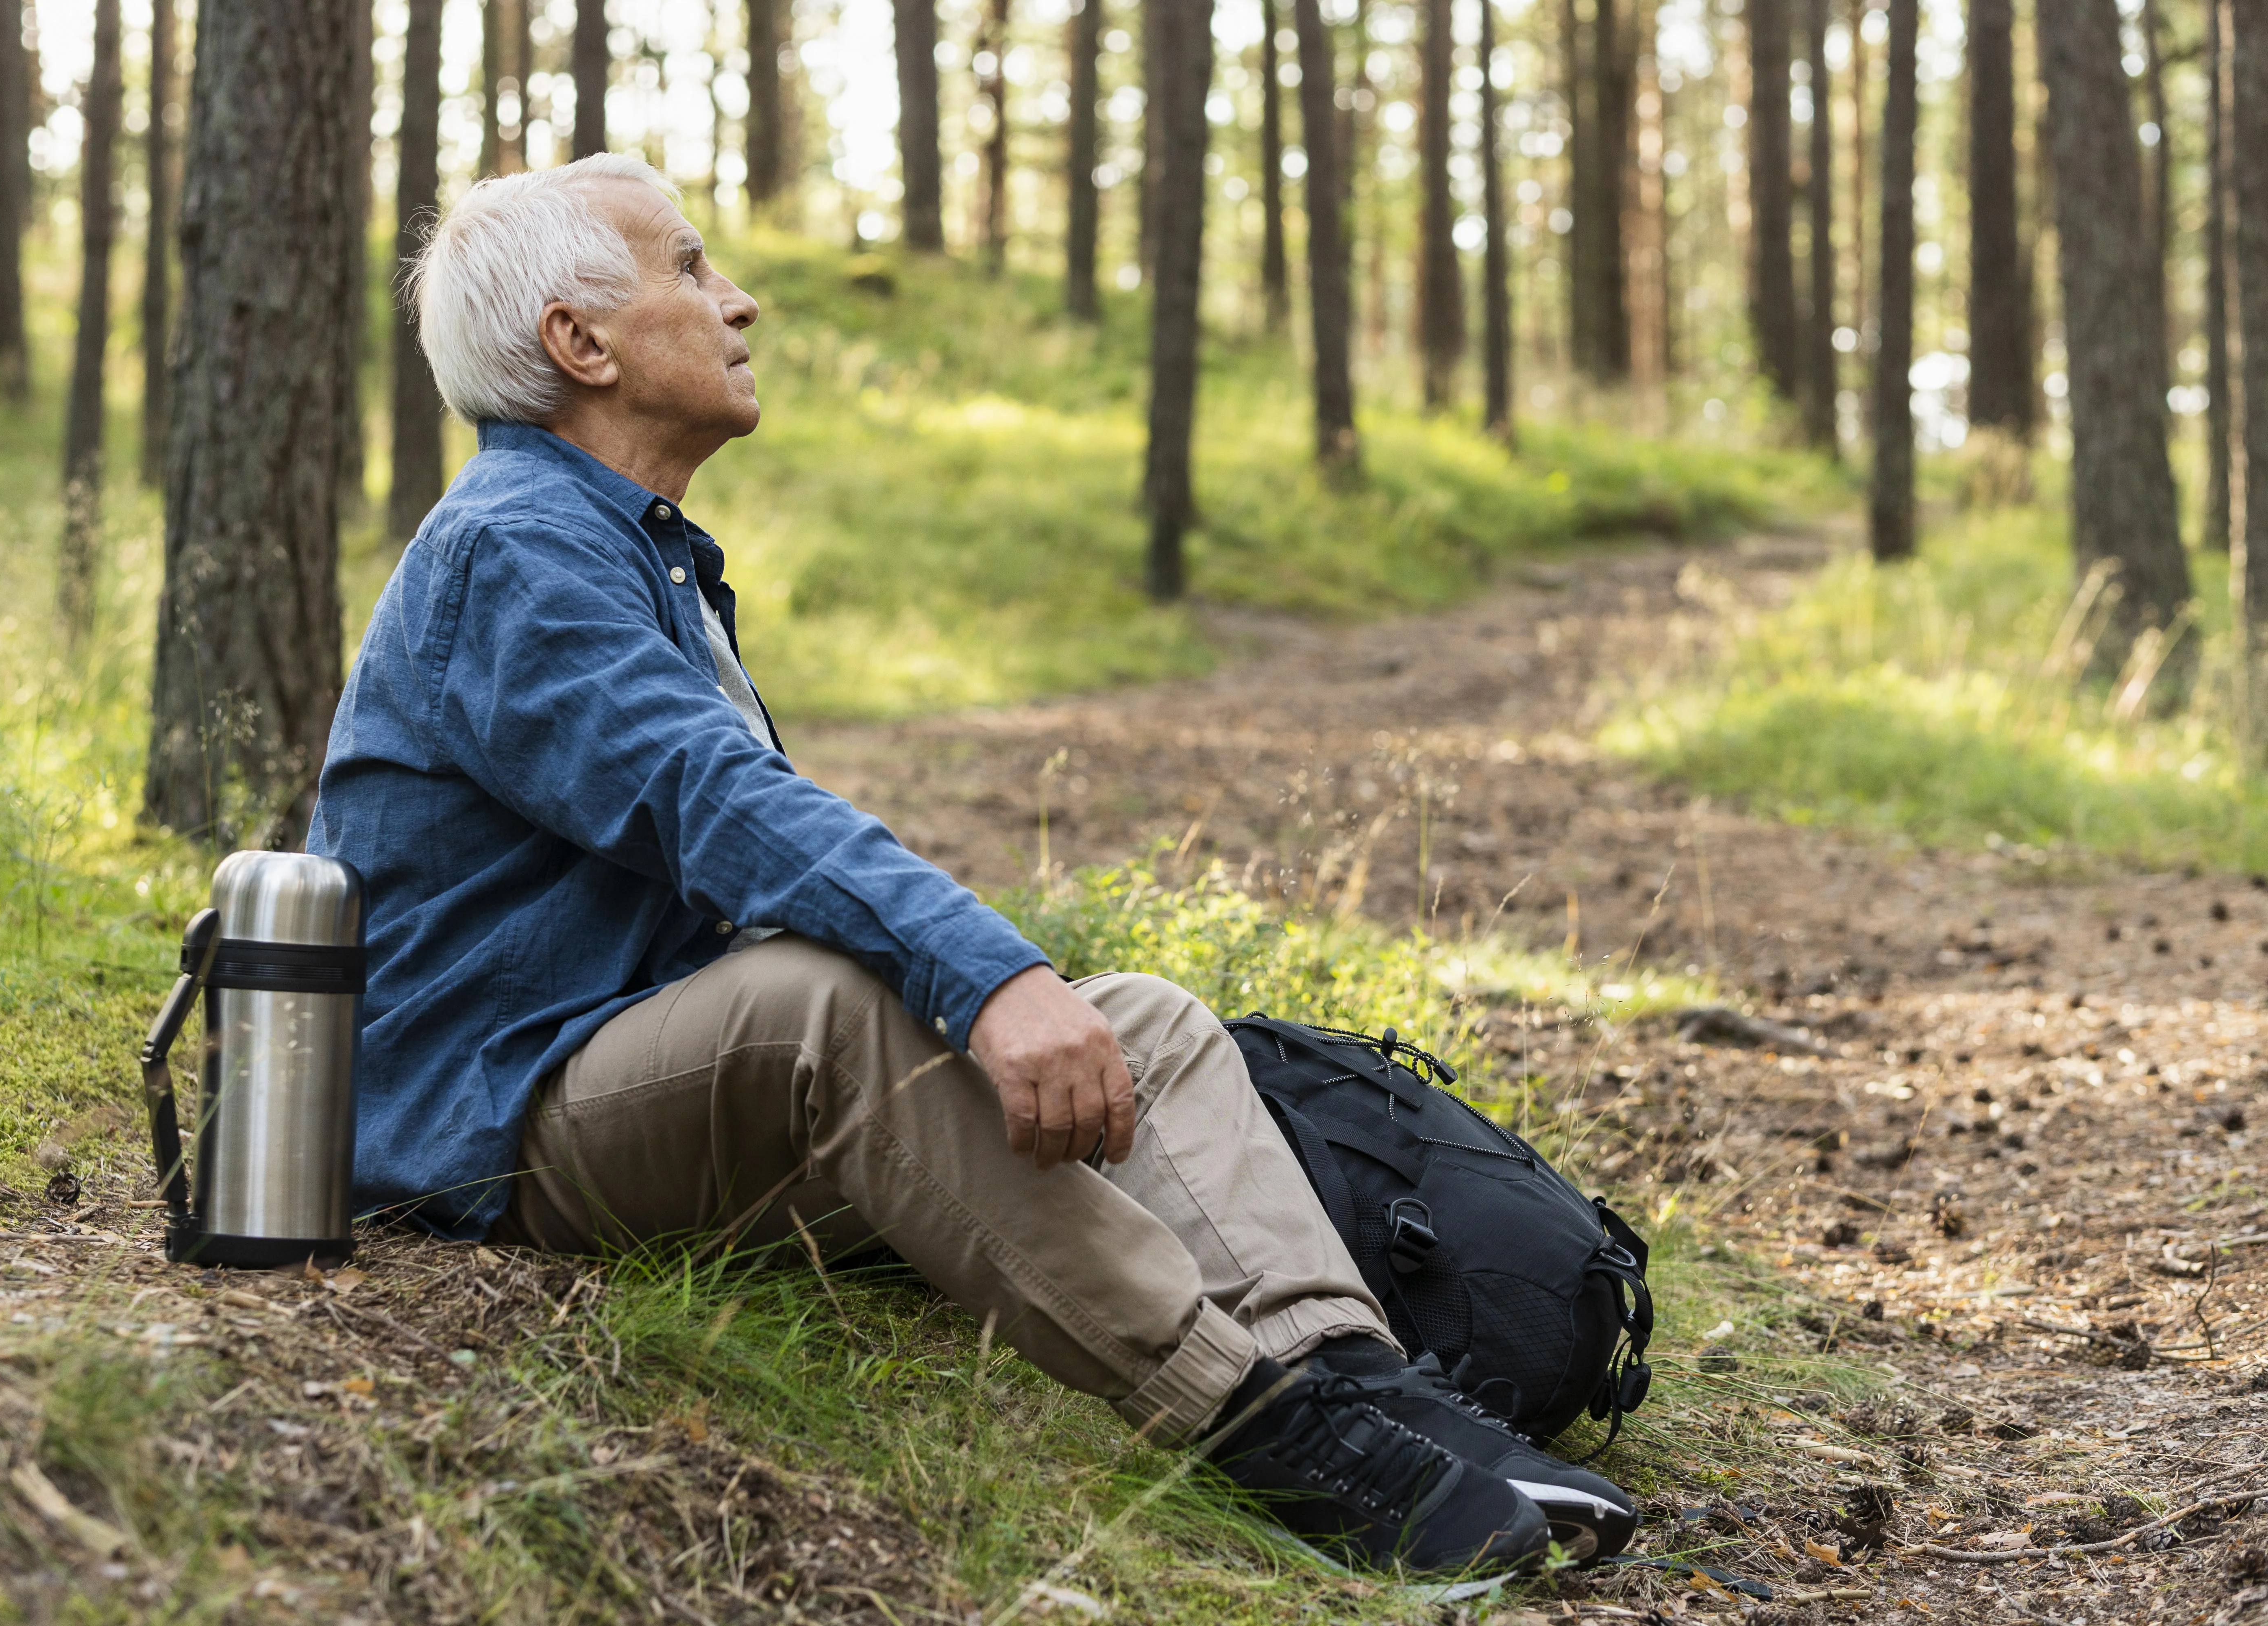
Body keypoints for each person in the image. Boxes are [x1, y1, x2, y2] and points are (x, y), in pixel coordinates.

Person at [308, 152, 1636, 1573]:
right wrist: (988, 977)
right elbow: (712, 804)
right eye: (689, 270)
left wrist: (1016, 988)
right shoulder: (514, 548)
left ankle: (1354, 1379)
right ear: (578, 343)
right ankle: (1264, 1428)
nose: (739, 302)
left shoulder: (628, 545)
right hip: (486, 1112)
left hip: (605, 1058)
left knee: (1156, 1031)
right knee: (831, 1004)